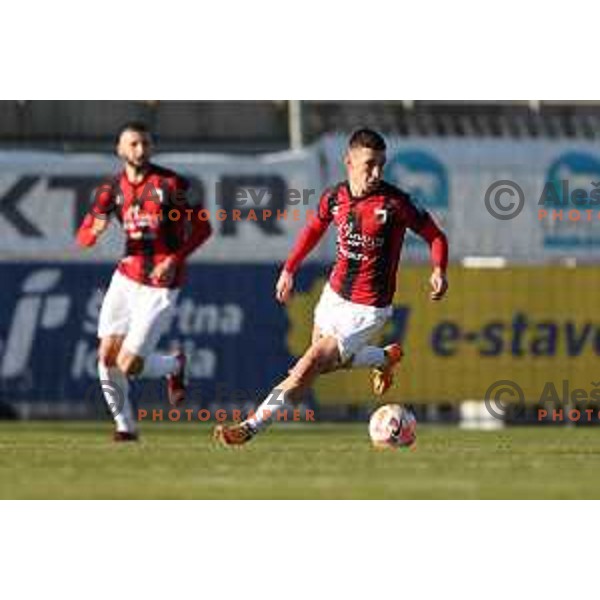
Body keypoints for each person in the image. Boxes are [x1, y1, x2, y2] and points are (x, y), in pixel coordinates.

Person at [214, 128, 448, 446]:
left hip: (367, 309)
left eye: (382, 165)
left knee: (307, 366)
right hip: (334, 295)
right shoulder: (335, 197)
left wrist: (439, 269)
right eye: (369, 165)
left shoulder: (395, 203)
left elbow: (435, 235)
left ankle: (249, 427)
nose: (377, 173)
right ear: (348, 161)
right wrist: (289, 269)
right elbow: (312, 229)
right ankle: (382, 357)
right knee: (322, 367)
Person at [76, 121, 212, 441]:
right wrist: (91, 234)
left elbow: (203, 228)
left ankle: (174, 365)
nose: (140, 150)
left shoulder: (171, 184)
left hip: (162, 285)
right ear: (120, 150)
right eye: (134, 144)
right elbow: (85, 234)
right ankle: (126, 427)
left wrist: (173, 259)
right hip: (126, 277)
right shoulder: (110, 191)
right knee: (106, 356)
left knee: (129, 365)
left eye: (146, 144)